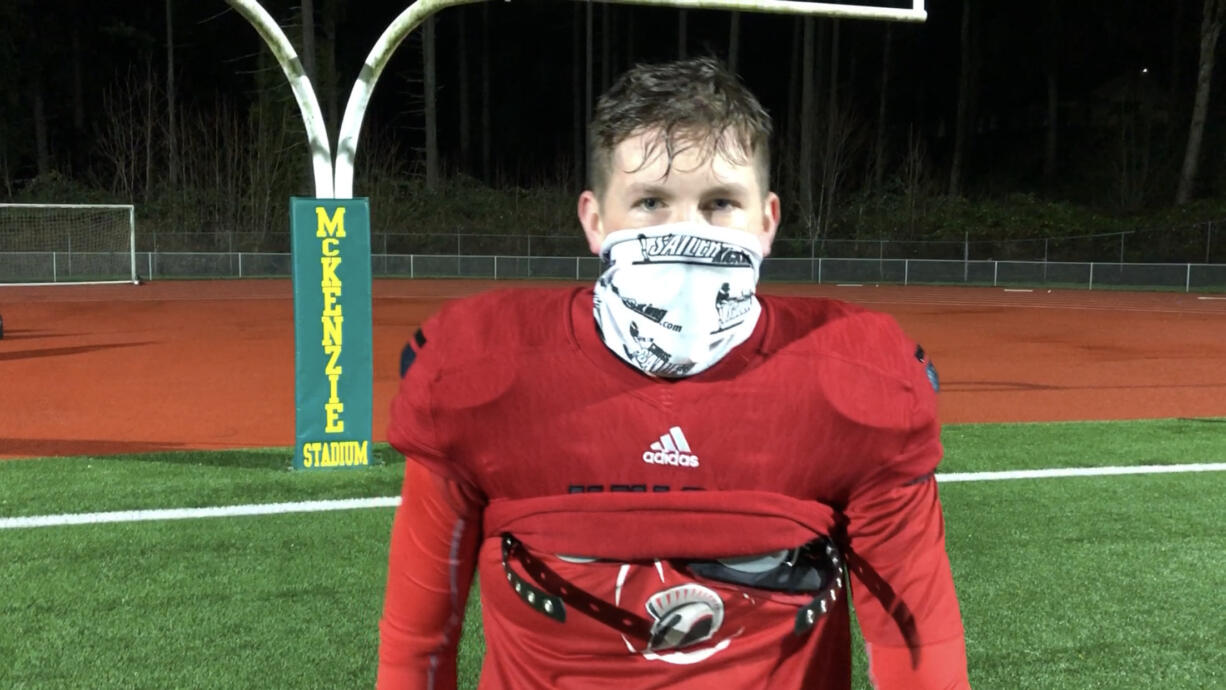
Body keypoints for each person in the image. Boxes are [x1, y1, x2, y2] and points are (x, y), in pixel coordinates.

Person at [380, 57, 969, 689]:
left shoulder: (856, 383)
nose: (686, 232)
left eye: (719, 203)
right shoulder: (482, 375)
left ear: (767, 221)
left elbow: (917, 643)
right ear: (594, 220)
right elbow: (417, 641)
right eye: (651, 202)